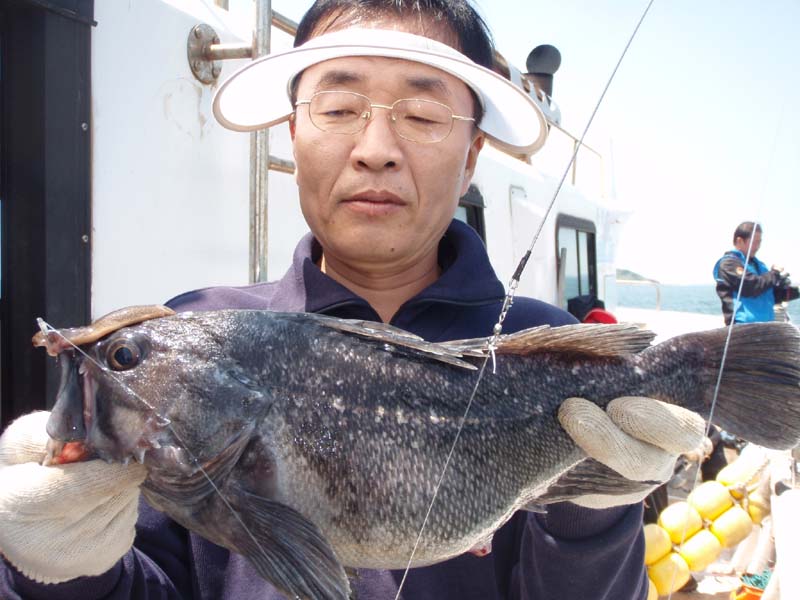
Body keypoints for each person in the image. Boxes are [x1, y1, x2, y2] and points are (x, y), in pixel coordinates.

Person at [0, 1, 707, 598]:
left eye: (423, 115)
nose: (376, 148)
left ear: (471, 157)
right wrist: (65, 566)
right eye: (338, 108)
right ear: (293, 134)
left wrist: (590, 505)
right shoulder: (193, 323)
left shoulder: (541, 343)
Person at [713, 221, 799, 325]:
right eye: (754, 242)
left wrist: (794, 290)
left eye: (759, 242)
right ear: (739, 241)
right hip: (741, 327)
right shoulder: (729, 264)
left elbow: (771, 294)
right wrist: (774, 274)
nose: (757, 246)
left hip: (766, 327)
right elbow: (750, 286)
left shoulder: (760, 266)